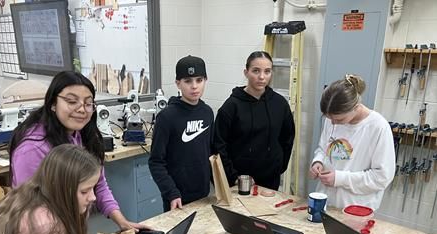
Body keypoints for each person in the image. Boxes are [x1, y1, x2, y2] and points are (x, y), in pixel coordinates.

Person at [9, 70, 147, 232]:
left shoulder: (82, 135)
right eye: (72, 101)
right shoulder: (32, 150)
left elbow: (99, 184)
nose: (82, 109)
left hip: (69, 231)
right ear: (53, 103)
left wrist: (123, 223)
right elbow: (31, 211)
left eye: (88, 103)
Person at [309, 74, 396, 209]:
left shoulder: (378, 127)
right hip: (326, 201)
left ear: (356, 107)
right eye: (329, 118)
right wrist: (318, 161)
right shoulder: (332, 119)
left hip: (355, 208)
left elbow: (381, 178)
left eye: (339, 120)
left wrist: (340, 179)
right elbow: (322, 148)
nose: (333, 123)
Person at [213, 51, 295, 190]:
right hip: (240, 181)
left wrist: (278, 167)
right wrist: (232, 177)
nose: (262, 77)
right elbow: (219, 146)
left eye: (267, 71)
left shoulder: (280, 104)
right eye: (256, 71)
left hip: (270, 180)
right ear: (246, 72)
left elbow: (287, 138)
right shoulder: (231, 107)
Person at [149, 55, 214, 211]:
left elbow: (211, 153)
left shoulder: (207, 113)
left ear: (205, 80)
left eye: (199, 80)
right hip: (176, 199)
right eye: (187, 81)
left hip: (203, 193)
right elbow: (156, 162)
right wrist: (171, 192)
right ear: (178, 83)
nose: (194, 86)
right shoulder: (166, 117)